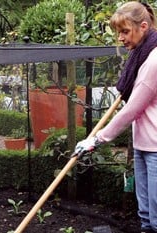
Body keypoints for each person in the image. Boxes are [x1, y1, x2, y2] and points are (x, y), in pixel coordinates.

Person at [74, 1, 157, 233]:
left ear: (143, 26)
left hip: (156, 149)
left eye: (124, 31)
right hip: (143, 145)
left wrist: (97, 139)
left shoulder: (154, 61)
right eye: (117, 32)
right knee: (146, 217)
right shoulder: (140, 55)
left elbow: (132, 109)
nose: (120, 38)